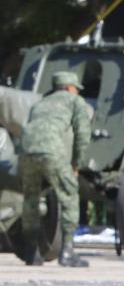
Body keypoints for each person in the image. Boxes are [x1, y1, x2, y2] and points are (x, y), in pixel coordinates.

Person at [18, 70, 92, 268]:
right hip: (51, 150)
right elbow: (83, 134)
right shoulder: (75, 101)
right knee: (69, 196)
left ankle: (31, 253)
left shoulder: (40, 103)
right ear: (69, 88)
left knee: (31, 199)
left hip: (26, 151)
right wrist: (77, 163)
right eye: (76, 89)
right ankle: (67, 252)